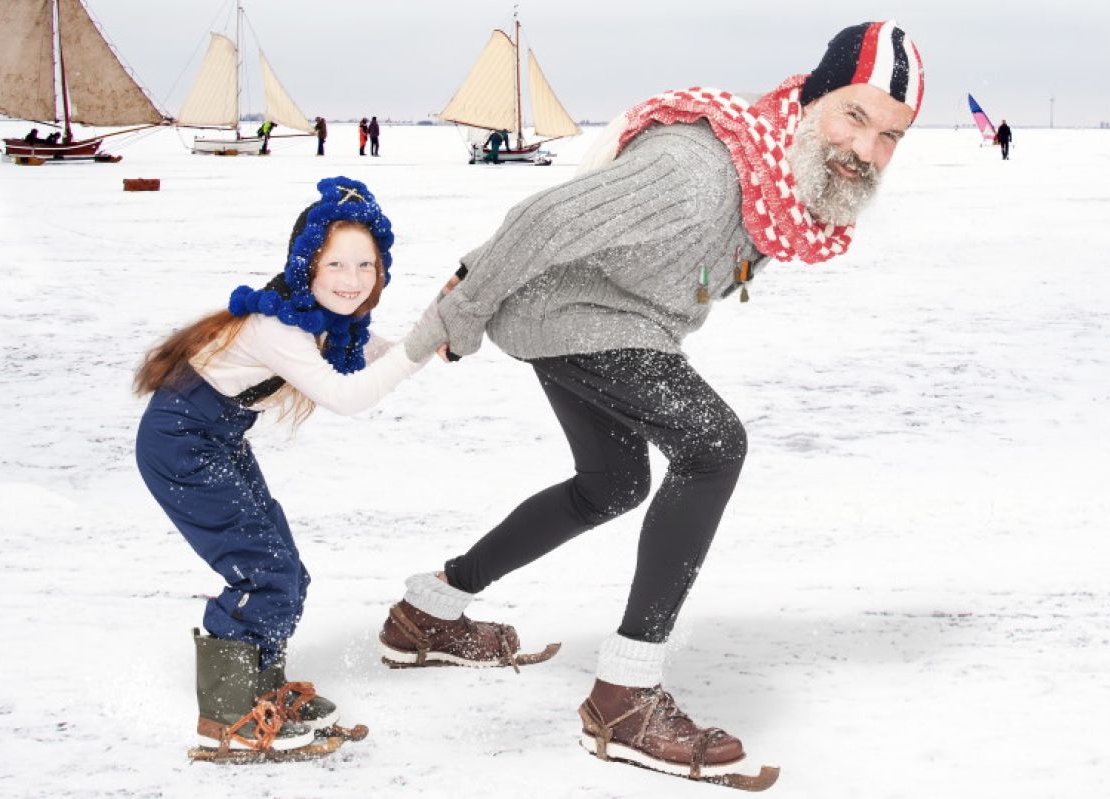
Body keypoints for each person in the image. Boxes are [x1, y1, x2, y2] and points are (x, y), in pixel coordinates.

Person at [382, 20, 924, 788]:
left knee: (611, 484)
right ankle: (623, 696)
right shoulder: (697, 171)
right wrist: (457, 316)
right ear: (811, 97)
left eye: (891, 136)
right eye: (854, 115)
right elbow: (543, 220)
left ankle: (428, 611)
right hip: (571, 313)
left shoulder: (779, 183)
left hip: (609, 316)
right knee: (712, 445)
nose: (865, 151)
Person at [134, 177, 445, 755]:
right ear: (307, 264)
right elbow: (349, 396)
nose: (352, 281)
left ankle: (263, 689)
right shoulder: (280, 326)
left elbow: (387, 353)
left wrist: (437, 330)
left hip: (216, 438)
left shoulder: (319, 318)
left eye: (366, 265)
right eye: (336, 264)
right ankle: (229, 716)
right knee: (264, 571)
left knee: (286, 570)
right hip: (181, 442)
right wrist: (416, 349)